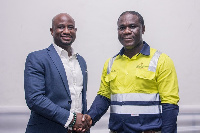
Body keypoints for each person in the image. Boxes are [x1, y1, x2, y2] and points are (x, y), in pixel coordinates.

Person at [85, 11, 180, 133]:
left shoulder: (161, 60)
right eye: (122, 28)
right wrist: (89, 118)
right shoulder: (110, 63)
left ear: (143, 29)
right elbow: (104, 97)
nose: (126, 31)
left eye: (132, 26)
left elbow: (170, 105)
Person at [24, 13, 90, 133]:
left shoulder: (81, 61)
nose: (66, 31)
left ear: (75, 31)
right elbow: (35, 99)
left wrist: (83, 121)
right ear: (52, 31)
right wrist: (72, 119)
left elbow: (79, 97)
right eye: (61, 27)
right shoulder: (37, 58)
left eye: (70, 27)